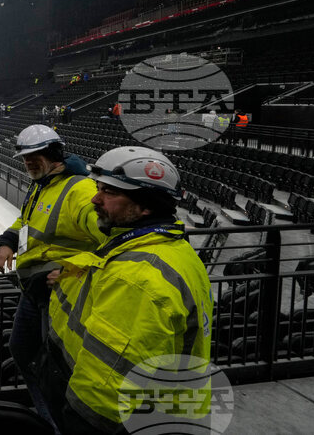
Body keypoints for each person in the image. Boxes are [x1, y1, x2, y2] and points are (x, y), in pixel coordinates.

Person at [42, 147, 213, 434]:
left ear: (145, 206)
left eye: (110, 192)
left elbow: (108, 386)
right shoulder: (157, 247)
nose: (95, 199)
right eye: (98, 188)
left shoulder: (139, 281)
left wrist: (78, 422)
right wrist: (71, 275)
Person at [0, 124, 103, 429]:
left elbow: (111, 239)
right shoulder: (41, 184)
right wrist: (7, 242)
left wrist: (72, 270)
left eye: (34, 156)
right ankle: (48, 417)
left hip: (59, 296)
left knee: (53, 367)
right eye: (24, 157)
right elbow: (25, 221)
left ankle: (55, 424)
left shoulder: (79, 190)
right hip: (33, 290)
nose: (28, 162)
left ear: (53, 154)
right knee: (21, 351)